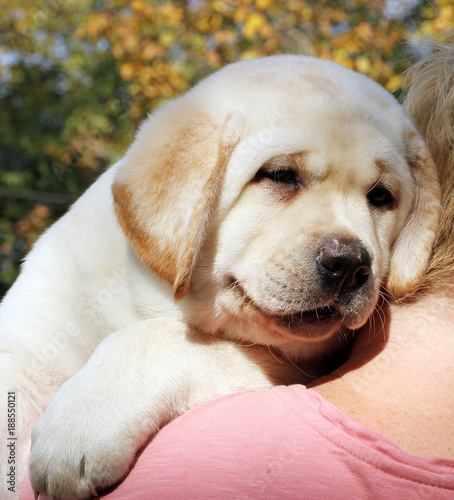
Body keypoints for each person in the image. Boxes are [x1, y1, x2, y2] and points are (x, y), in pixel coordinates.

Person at [22, 42, 454, 499]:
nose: (350, 248)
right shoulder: (72, 274)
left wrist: (162, 358)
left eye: (379, 197)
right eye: (284, 175)